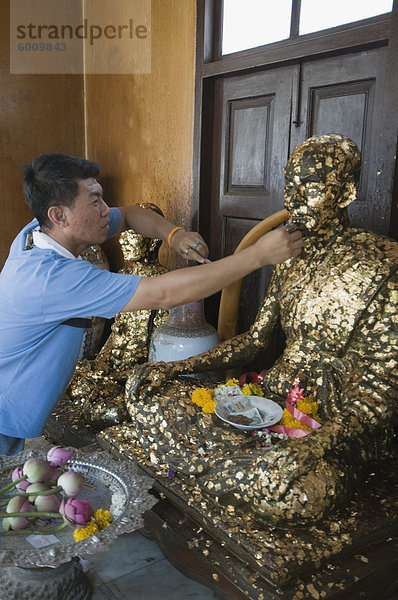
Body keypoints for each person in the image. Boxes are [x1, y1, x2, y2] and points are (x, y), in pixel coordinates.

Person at [121, 133, 398, 526]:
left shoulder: (384, 266)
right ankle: (243, 470)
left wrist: (313, 447)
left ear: (348, 190)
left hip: (332, 432)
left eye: (313, 188)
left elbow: (381, 394)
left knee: (299, 493)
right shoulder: (290, 256)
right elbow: (255, 341)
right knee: (151, 399)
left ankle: (224, 467)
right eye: (291, 187)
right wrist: (173, 369)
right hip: (265, 403)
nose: (297, 202)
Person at [0, 152, 303, 456]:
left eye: (102, 198)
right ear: (59, 215)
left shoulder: (37, 235)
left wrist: (175, 235)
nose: (106, 210)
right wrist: (256, 256)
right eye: (94, 202)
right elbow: (163, 295)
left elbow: (131, 214)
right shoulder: (53, 279)